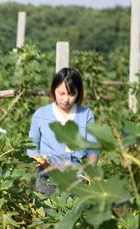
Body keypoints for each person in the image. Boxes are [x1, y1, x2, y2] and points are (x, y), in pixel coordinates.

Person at [27, 67, 100, 196]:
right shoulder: (41, 115)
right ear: (53, 90)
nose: (66, 99)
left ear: (79, 93)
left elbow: (93, 149)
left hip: (76, 178)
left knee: (74, 214)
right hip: (47, 179)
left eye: (71, 94)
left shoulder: (86, 114)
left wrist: (90, 176)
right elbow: (32, 149)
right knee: (49, 214)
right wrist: (48, 166)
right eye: (62, 93)